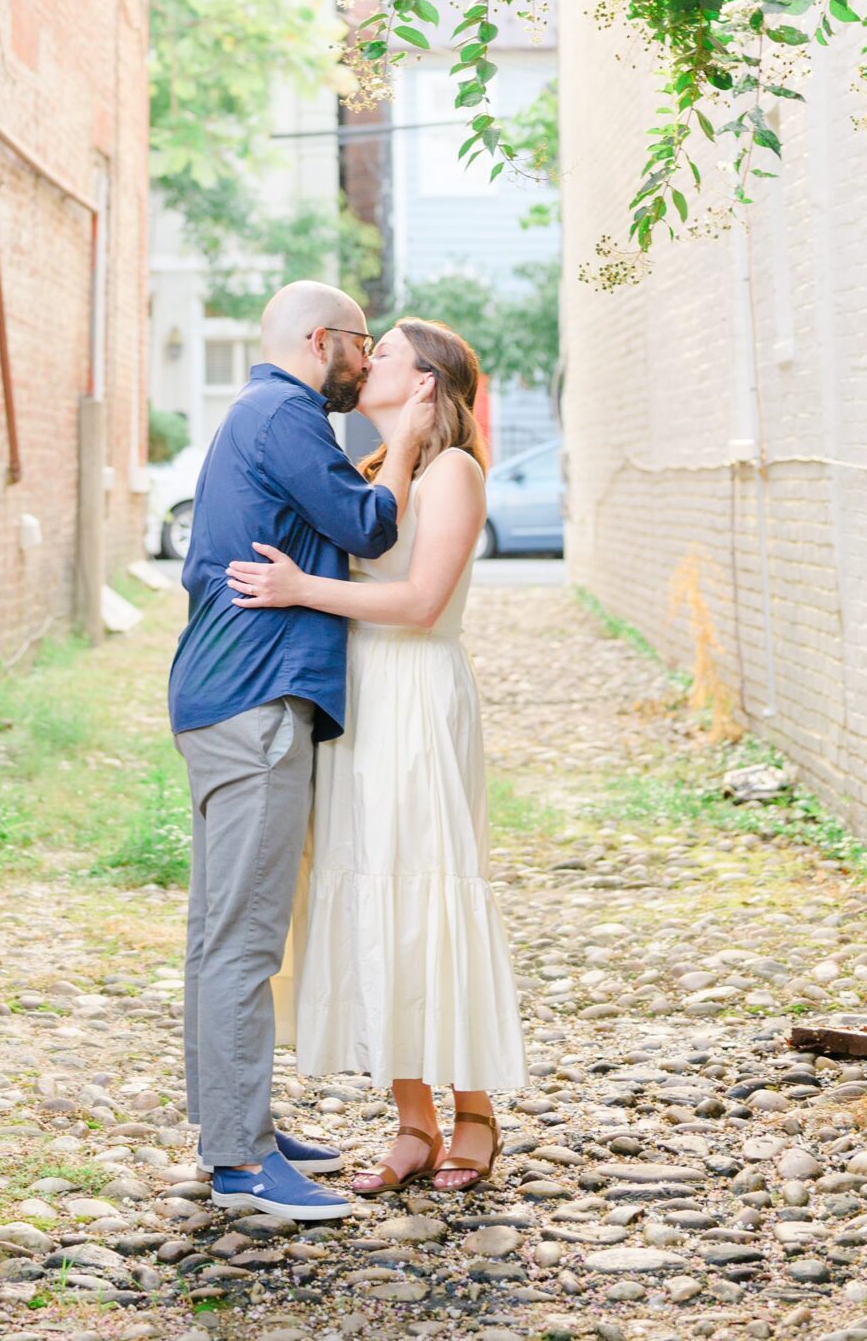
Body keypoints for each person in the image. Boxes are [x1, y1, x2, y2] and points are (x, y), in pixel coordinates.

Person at [228, 317, 526, 1194]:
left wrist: (297, 587)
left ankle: (473, 1112)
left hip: (420, 697)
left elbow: (423, 602)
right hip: (360, 703)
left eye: (385, 352)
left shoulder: (455, 474)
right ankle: (412, 1123)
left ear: (427, 380)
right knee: (369, 893)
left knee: (428, 887)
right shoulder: (374, 472)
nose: (365, 363)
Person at [167, 280, 436, 1224]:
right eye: (362, 346)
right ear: (323, 340)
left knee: (217, 933)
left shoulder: (254, 416)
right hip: (257, 704)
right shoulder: (283, 412)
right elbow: (368, 526)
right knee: (242, 940)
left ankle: (232, 1128)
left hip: (219, 699)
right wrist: (402, 449)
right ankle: (241, 1165)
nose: (367, 365)